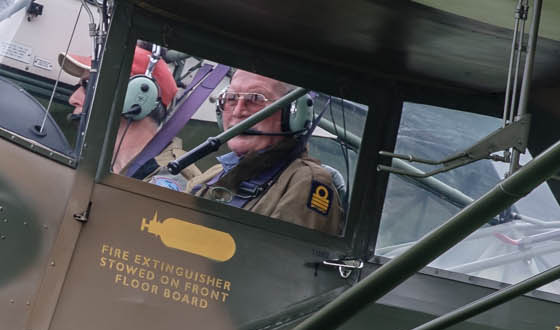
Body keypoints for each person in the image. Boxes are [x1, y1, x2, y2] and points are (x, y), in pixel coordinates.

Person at [191, 69, 347, 235]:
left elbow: (275, 257)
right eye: (231, 98)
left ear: (293, 113)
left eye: (255, 99)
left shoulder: (306, 181)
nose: (237, 112)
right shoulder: (214, 174)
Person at [61, 46, 200, 180]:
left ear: (137, 97)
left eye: (88, 85)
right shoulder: (106, 170)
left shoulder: (170, 182)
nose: (73, 99)